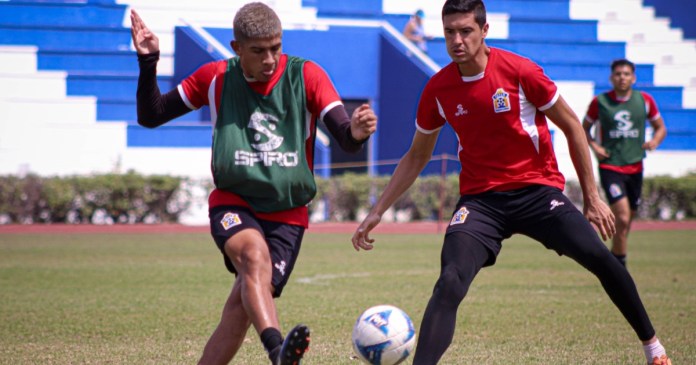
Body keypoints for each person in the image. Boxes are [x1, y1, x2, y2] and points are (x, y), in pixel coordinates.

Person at [351, 1, 670, 364]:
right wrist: (378, 210)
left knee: (601, 258)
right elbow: (416, 156)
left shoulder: (521, 72)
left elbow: (572, 126)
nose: (457, 40)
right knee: (450, 280)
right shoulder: (438, 88)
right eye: (449, 32)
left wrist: (592, 197)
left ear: (484, 31)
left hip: (538, 192)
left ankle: (654, 348)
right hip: (480, 203)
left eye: (466, 31)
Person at [130, 3, 377, 365]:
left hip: (288, 215)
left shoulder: (306, 76)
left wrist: (355, 131)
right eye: (259, 50)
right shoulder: (215, 77)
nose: (270, 59)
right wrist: (149, 61)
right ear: (236, 48)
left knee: (239, 309)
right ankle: (277, 350)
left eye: (276, 47)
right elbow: (152, 115)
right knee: (253, 256)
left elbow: (344, 132)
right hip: (235, 201)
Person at [583, 59, 667, 267]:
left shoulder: (644, 100)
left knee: (627, 220)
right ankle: (619, 267)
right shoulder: (600, 102)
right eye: (618, 74)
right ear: (612, 78)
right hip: (611, 166)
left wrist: (654, 141)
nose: (622, 78)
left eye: (626, 74)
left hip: (635, 166)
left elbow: (661, 127)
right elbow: (582, 129)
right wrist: (595, 147)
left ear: (634, 78)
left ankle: (615, 255)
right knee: (621, 216)